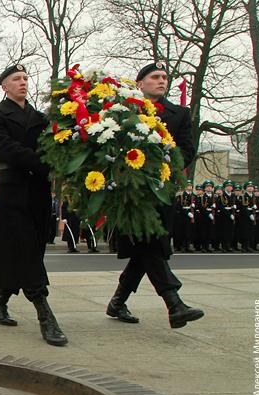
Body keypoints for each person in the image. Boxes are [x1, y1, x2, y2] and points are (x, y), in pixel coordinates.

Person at [106, 62, 203, 328]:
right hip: (132, 192)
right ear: (140, 84)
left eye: (164, 77)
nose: (161, 81)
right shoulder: (124, 110)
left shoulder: (179, 114)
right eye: (155, 77)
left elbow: (187, 150)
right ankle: (174, 304)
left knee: (145, 249)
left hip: (161, 190)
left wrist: (165, 165)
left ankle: (117, 302)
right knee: (150, 244)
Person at [0, 64, 67, 346]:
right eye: (16, 79)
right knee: (26, 251)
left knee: (32, 249)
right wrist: (44, 162)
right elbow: (5, 149)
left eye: (25, 78)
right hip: (13, 192)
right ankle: (46, 316)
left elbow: (54, 146)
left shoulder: (41, 118)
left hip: (39, 192)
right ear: (4, 86)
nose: (22, 83)